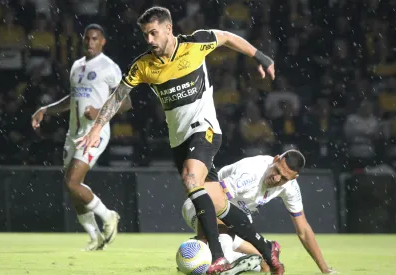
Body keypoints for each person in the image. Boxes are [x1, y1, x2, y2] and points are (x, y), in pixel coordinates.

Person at [75, 6, 278, 274]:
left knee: (191, 179)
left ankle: (218, 256)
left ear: (169, 29)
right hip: (179, 140)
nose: (149, 40)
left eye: (153, 33)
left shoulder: (196, 42)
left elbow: (228, 37)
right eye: (145, 35)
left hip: (204, 129)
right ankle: (267, 248)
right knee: (218, 203)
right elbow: (117, 96)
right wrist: (96, 128)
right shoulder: (143, 65)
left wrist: (261, 57)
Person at [32, 24, 132, 251]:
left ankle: (109, 217)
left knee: (72, 182)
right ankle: (95, 237)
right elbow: (72, 98)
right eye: (87, 38)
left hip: (94, 132)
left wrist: (99, 113)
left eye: (95, 38)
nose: (90, 42)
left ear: (103, 41)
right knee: (73, 187)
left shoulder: (109, 67)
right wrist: (45, 109)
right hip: (73, 134)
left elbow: (126, 102)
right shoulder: (77, 66)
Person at [181, 150, 338, 274]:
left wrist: (324, 268)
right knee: (220, 258)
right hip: (198, 207)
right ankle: (219, 255)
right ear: (275, 159)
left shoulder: (290, 187)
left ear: (293, 178)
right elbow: (211, 201)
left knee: (265, 265)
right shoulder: (251, 172)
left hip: (235, 223)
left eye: (283, 178)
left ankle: (248, 259)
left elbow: (303, 230)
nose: (276, 179)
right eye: (276, 170)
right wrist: (203, 239)